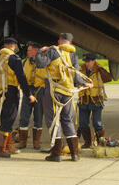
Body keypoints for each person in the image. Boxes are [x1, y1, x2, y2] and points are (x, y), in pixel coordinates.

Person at [35, 32, 93, 162]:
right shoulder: (73, 56)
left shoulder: (53, 51)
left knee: (53, 120)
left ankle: (56, 153)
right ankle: (75, 154)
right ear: (70, 43)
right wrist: (85, 83)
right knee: (67, 120)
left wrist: (40, 52)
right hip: (68, 92)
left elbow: (40, 64)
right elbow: (77, 77)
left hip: (53, 90)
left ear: (60, 41)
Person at [0, 37, 37, 158]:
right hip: (10, 91)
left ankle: (8, 145)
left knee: (2, 120)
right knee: (7, 120)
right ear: (14, 46)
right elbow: (21, 78)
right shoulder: (14, 58)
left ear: (5, 45)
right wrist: (29, 94)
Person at [78, 53, 112, 148]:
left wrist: (100, 69)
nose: (87, 64)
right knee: (83, 123)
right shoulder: (81, 69)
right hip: (84, 99)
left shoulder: (99, 69)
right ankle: (87, 142)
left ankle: (100, 142)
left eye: (89, 61)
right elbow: (74, 81)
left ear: (94, 61)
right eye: (86, 62)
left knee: (97, 123)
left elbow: (108, 78)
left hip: (96, 99)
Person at [17, 42, 47, 150]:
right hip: (28, 90)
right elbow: (21, 76)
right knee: (24, 117)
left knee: (38, 117)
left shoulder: (44, 62)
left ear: (36, 50)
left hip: (39, 90)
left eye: (29, 50)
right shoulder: (25, 62)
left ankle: (36, 142)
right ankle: (22, 141)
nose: (28, 52)